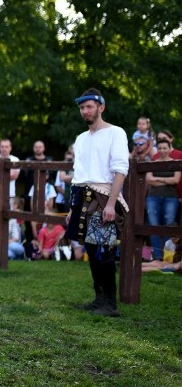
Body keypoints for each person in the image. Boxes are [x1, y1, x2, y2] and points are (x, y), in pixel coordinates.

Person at [64, 88, 129, 317]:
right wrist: (73, 208)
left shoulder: (116, 133)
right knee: (91, 249)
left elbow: (120, 169)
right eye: (82, 107)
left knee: (103, 250)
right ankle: (99, 299)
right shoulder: (81, 139)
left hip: (103, 196)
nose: (85, 111)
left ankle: (110, 304)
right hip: (83, 196)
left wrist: (111, 204)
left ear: (101, 107)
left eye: (89, 106)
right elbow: (78, 174)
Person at [144, 138, 180, 261]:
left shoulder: (176, 163)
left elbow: (176, 180)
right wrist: (166, 182)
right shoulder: (152, 163)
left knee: (168, 226)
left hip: (171, 198)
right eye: (160, 148)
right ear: (157, 149)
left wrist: (157, 180)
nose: (162, 150)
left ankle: (166, 256)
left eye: (165, 148)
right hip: (152, 198)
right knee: (154, 226)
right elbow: (148, 180)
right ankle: (157, 257)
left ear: (170, 149)